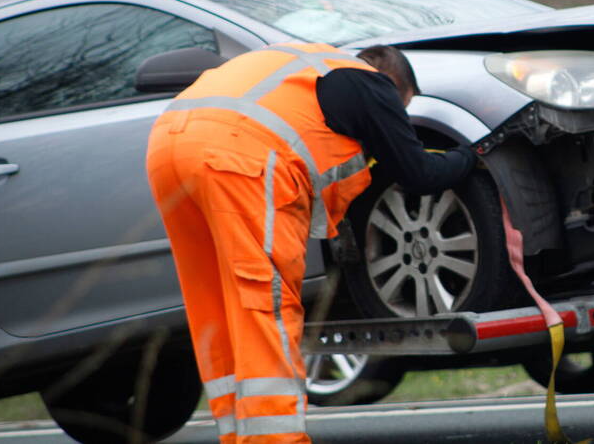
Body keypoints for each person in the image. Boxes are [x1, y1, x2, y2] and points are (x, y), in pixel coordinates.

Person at [146, 42, 475, 444]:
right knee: (264, 305)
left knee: (213, 305)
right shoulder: (371, 84)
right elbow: (418, 172)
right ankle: (276, 440)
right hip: (241, 157)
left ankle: (237, 436)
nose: (394, 122)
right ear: (393, 83)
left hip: (167, 146)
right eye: (400, 111)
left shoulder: (304, 67)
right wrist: (471, 156)